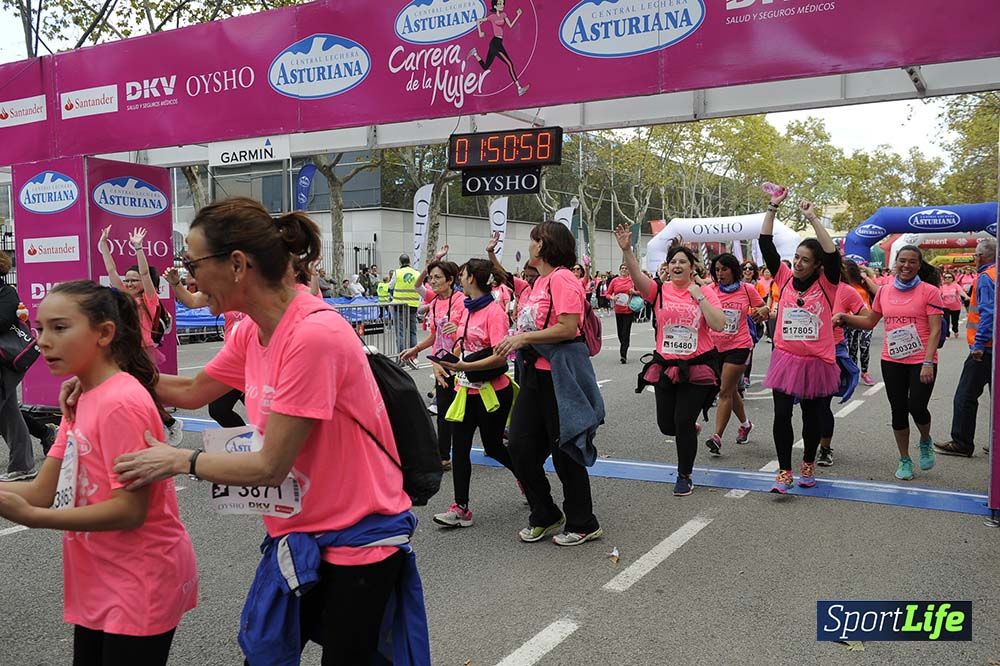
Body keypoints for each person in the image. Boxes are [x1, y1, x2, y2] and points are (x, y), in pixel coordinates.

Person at [85, 197, 429, 664]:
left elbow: (271, 466)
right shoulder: (252, 330)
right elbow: (190, 390)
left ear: (237, 265)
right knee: (263, 655)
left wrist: (180, 460)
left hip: (358, 541)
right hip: (299, 534)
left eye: (192, 263)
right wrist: (102, 379)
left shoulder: (312, 336)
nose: (188, 280)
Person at [0, 280, 197, 665]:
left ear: (105, 333)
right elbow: (42, 490)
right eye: (39, 328)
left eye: (59, 328)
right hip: (100, 577)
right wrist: (33, 508)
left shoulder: (120, 403)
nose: (42, 341)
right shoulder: (81, 397)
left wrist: (38, 520)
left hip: (140, 580)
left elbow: (129, 510)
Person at [496, 221, 604, 546]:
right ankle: (544, 513)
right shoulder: (538, 283)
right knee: (518, 447)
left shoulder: (563, 279)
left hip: (558, 376)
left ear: (544, 244)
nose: (529, 244)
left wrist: (522, 338)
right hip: (533, 374)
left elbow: (568, 328)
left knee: (565, 449)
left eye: (533, 239)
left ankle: (583, 522)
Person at [615, 226, 726, 496]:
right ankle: (689, 429)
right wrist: (627, 250)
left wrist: (699, 296)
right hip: (666, 365)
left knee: (682, 420)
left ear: (691, 268)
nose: (677, 266)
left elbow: (719, 324)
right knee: (667, 425)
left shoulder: (705, 291)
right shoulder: (659, 291)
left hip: (697, 366)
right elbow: (638, 278)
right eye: (673, 262)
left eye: (682, 262)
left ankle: (684, 475)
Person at [835, 246, 943, 479]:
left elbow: (935, 331)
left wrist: (927, 362)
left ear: (919, 265)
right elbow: (871, 321)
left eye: (912, 262)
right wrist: (845, 319)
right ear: (896, 263)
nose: (906, 266)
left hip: (921, 360)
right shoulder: (884, 292)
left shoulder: (930, 291)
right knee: (898, 410)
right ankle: (904, 459)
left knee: (917, 406)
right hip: (892, 359)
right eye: (902, 261)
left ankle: (925, 440)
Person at [760, 191, 842, 493]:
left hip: (817, 361)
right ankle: (784, 471)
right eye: (796, 257)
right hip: (785, 357)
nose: (798, 263)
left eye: (805, 260)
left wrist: (812, 218)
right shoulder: (782, 276)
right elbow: (765, 243)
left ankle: (807, 463)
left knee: (812, 415)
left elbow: (833, 255)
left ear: (817, 265)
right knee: (782, 415)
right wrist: (773, 206)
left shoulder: (828, 283)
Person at [432, 259, 519, 527]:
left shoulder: (494, 312)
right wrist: (443, 361)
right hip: (466, 391)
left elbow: (499, 357)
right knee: (460, 449)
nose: (460, 277)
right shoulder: (468, 310)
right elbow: (463, 345)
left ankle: (528, 477)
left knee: (493, 447)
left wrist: (464, 365)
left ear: (472, 279)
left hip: (493, 393)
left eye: (463, 274)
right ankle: (461, 508)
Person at [97, 226, 183, 446]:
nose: (129, 283)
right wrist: (103, 247)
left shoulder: (150, 299)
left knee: (145, 390)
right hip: (126, 351)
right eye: (127, 280)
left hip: (144, 351)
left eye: (133, 280)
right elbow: (111, 272)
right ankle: (155, 425)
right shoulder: (124, 298)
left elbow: (145, 273)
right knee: (132, 390)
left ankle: (169, 423)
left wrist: (138, 248)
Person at [400, 260, 464, 470]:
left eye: (437, 277)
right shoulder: (435, 302)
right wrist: (415, 349)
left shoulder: (461, 301)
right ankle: (444, 456)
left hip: (461, 364)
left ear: (451, 280)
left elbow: (464, 336)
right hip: (441, 365)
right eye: (431, 277)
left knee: (468, 412)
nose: (432, 281)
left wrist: (450, 361)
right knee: (445, 411)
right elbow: (435, 336)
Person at [935, 238, 996, 457]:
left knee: (965, 396)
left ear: (984, 256)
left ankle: (961, 442)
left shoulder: (986, 277)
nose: (975, 259)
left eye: (976, 255)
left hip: (985, 349)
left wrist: (979, 344)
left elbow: (988, 313)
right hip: (994, 346)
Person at [165, 267, 247, 429]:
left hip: (257, 361)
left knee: (263, 410)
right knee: (219, 409)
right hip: (233, 362)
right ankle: (245, 441)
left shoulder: (261, 292)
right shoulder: (224, 290)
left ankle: (271, 447)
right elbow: (192, 301)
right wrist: (175, 283)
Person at [704, 253, 767, 455]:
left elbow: (763, 307)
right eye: (717, 270)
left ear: (733, 270)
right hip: (714, 347)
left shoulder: (747, 289)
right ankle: (746, 424)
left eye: (724, 269)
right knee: (730, 390)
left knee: (724, 391)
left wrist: (762, 312)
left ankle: (717, 437)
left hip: (739, 345)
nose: (720, 273)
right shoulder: (710, 290)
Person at [816, 274, 870, 467]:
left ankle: (824, 448)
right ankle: (809, 449)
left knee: (822, 404)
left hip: (832, 353)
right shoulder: (802, 287)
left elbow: (867, 318)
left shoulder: (845, 290)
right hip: (804, 353)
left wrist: (844, 318)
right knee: (807, 406)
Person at [0, 252, 38, 482]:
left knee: (8, 413)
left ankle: (23, 464)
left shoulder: (6, 292)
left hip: (6, 362)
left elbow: (2, 322)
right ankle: (23, 465)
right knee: (9, 413)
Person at [467, 0, 529, 96]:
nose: (502, 5)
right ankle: (519, 88)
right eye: (499, 4)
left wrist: (518, 15)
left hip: (498, 42)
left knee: (485, 67)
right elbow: (478, 20)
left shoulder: (504, 15)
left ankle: (475, 53)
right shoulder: (492, 17)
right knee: (509, 64)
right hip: (495, 43)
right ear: (495, 6)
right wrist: (480, 32)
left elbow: (511, 25)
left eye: (503, 4)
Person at [842, 260, 879, 386]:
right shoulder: (843, 284)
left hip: (866, 318)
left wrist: (866, 278)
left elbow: (877, 293)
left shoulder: (862, 282)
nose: (844, 271)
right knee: (851, 348)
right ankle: (853, 373)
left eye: (847, 268)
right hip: (850, 319)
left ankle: (865, 372)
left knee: (865, 346)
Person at [607, 263, 639, 364]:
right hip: (618, 310)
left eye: (626, 268)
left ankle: (623, 354)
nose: (624, 270)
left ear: (629, 270)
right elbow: (607, 294)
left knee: (626, 332)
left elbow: (641, 292)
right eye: (622, 268)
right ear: (619, 270)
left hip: (628, 310)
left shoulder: (632, 280)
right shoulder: (615, 281)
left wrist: (634, 292)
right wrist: (612, 297)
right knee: (620, 333)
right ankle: (623, 346)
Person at [390, 253, 422, 352]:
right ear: (409, 262)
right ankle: (413, 356)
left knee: (400, 333)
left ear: (400, 262)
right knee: (412, 332)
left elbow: (391, 286)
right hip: (413, 306)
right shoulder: (417, 273)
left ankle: (402, 356)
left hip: (399, 307)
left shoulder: (397, 272)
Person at [938, 270, 969, 339]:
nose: (948, 279)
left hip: (956, 307)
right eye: (946, 277)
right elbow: (938, 295)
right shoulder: (942, 287)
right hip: (945, 306)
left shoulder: (956, 286)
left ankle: (955, 330)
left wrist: (966, 296)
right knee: (946, 321)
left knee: (955, 321)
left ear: (952, 278)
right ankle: (947, 334)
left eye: (949, 277)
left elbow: (961, 292)